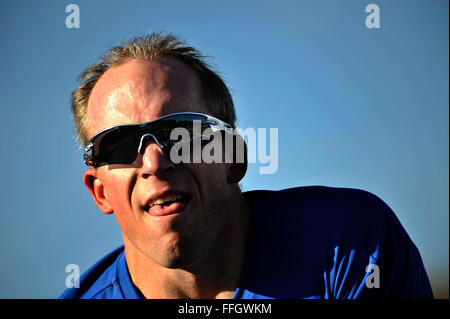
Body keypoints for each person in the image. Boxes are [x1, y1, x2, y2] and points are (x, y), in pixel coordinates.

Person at [60, 33, 433, 299]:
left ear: (232, 159)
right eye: (121, 144)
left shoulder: (348, 244)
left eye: (180, 133)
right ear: (99, 190)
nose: (155, 162)